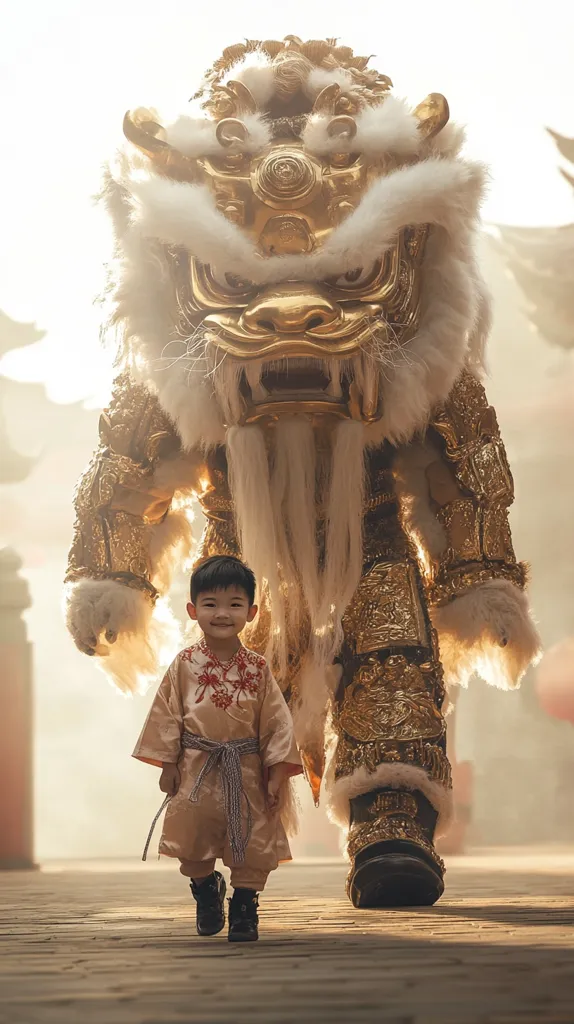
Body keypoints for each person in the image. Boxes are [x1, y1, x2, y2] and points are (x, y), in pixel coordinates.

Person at [133, 555, 302, 942]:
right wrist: (168, 763)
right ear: (193, 610)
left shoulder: (258, 668)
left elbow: (276, 722)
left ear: (251, 612)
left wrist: (276, 774)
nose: (222, 613)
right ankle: (206, 888)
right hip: (196, 768)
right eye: (210, 604)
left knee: (253, 839)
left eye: (234, 604)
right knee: (191, 838)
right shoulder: (183, 664)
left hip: (247, 770)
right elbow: (167, 715)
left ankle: (245, 905)